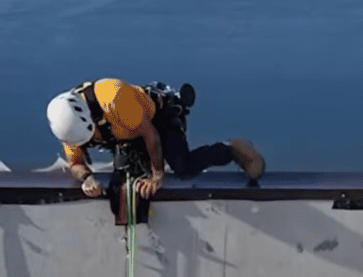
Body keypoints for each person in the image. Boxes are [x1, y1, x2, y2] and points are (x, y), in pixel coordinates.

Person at [46, 79, 264, 222]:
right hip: (123, 134)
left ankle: (232, 149)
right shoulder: (68, 126)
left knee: (183, 167)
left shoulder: (113, 96)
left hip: (155, 120)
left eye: (92, 134)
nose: (93, 139)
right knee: (123, 186)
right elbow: (76, 163)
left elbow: (151, 136)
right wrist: (87, 179)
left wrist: (157, 175)